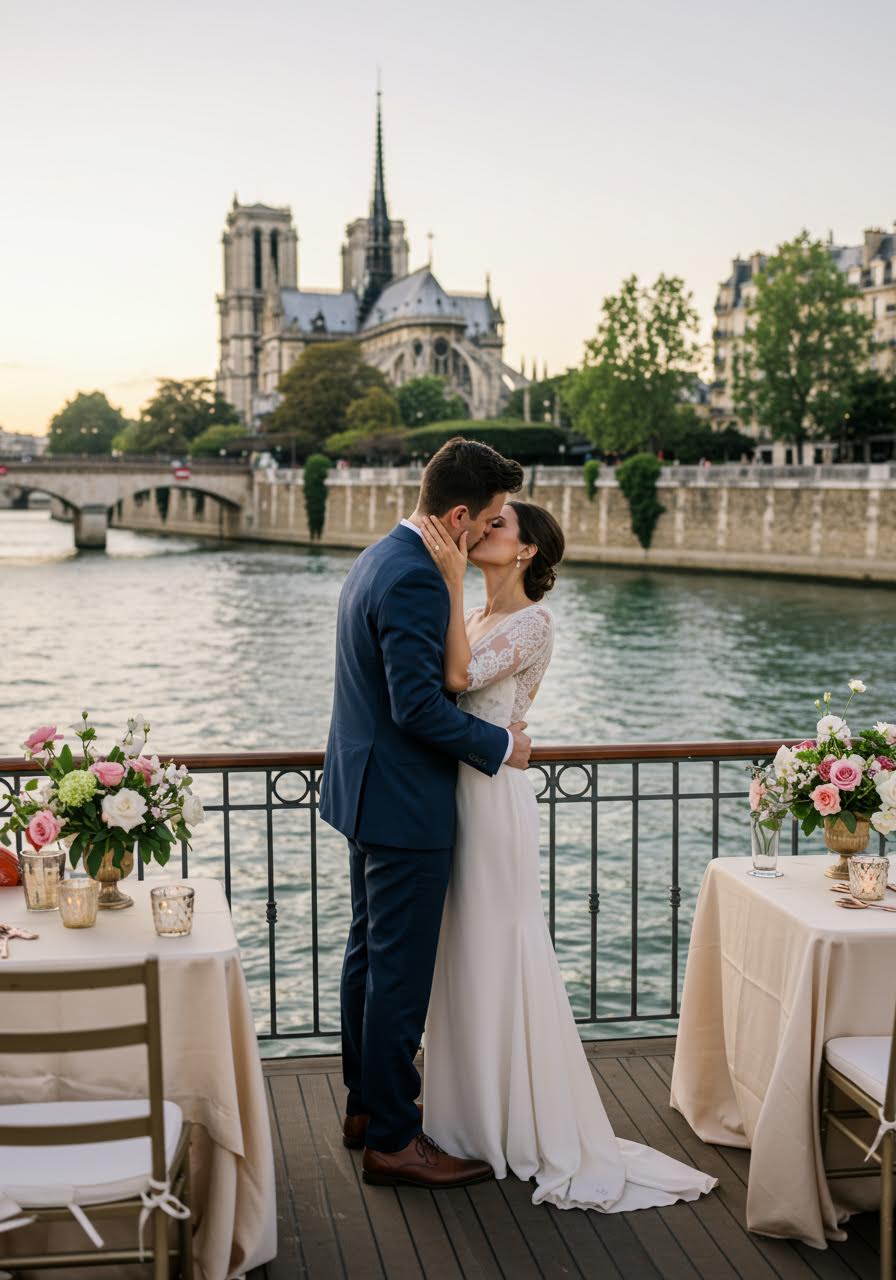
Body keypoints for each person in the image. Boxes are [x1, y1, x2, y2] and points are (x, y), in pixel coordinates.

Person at [417, 503, 718, 1213]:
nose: (484, 529)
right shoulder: (480, 618)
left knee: (500, 944)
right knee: (461, 948)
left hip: (493, 803)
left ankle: (517, 1120)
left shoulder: (530, 623)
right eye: (484, 522)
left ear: (525, 554)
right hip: (460, 793)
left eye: (499, 527)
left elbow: (455, 682)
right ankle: (466, 1116)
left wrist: (449, 576)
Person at [318, 436, 532, 1188]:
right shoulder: (414, 578)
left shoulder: (382, 555)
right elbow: (416, 708)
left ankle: (365, 1109)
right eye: (494, 517)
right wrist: (500, 744)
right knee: (399, 978)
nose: (491, 532)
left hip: (365, 788)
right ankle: (396, 1141)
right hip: (405, 801)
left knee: (368, 959)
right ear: (464, 514)